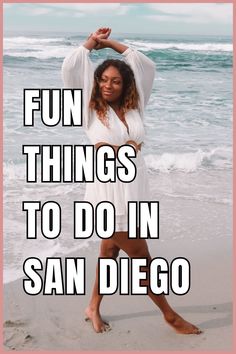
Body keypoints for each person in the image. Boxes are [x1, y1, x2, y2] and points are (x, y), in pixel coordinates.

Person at [62, 28, 202, 335]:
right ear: (95, 83)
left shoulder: (134, 109)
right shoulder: (88, 110)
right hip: (107, 195)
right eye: (102, 79)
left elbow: (145, 64)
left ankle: (93, 307)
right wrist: (92, 43)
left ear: (125, 85)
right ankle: (169, 315)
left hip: (134, 190)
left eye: (115, 80)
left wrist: (111, 44)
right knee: (140, 255)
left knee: (110, 252)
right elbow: (71, 65)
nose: (108, 85)